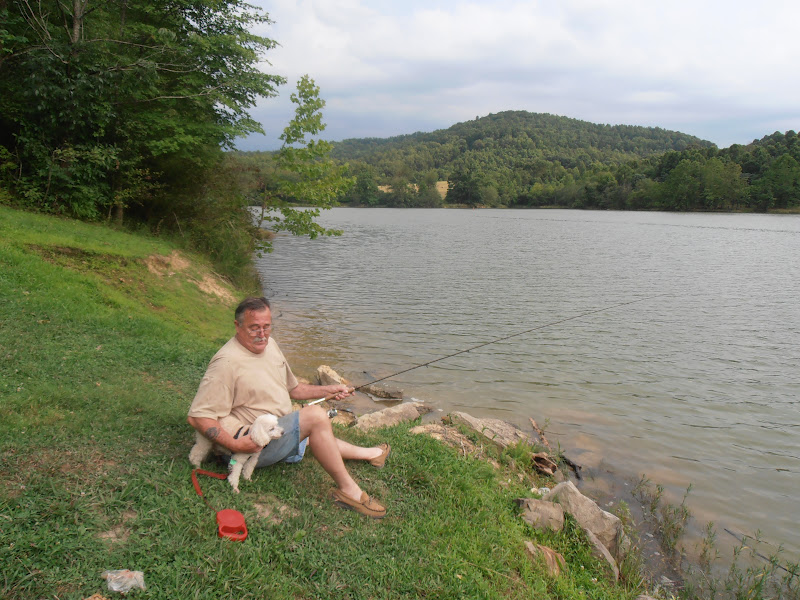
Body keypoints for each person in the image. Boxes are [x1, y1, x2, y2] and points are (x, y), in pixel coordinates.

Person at [187, 296, 390, 518]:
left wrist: (328, 390)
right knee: (315, 417)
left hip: (278, 430)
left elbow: (294, 389)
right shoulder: (226, 363)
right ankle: (349, 492)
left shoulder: (270, 346)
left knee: (315, 431)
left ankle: (373, 454)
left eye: (266, 326)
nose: (262, 334)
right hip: (251, 446)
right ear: (238, 326)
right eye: (254, 328)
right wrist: (235, 444)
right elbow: (198, 417)